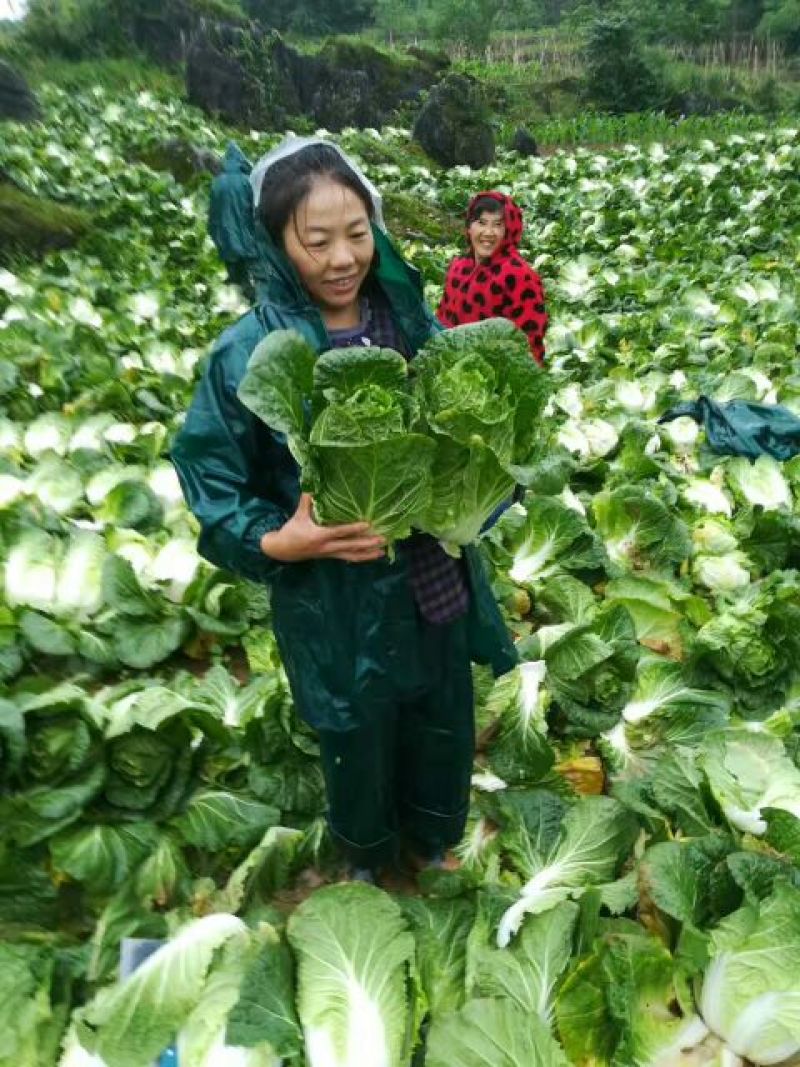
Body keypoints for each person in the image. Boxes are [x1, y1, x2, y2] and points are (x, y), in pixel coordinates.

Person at [172, 137, 517, 882]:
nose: (342, 258)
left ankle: (430, 840)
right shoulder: (247, 352)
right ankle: (365, 854)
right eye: (317, 240)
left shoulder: (410, 321)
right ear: (277, 242)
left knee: (441, 720)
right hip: (335, 601)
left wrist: (479, 492)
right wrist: (278, 541)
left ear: (377, 228)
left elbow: (477, 437)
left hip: (432, 582)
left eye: (357, 234)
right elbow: (211, 477)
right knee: (353, 733)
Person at [437, 190, 548, 364]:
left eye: (498, 225)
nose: (488, 232)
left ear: (509, 231)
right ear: (469, 227)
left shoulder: (520, 275)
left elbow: (530, 342)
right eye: (481, 223)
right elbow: (442, 324)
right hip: (451, 369)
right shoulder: (458, 267)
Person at [208, 141, 259, 302]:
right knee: (248, 268)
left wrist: (213, 230)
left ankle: (235, 295)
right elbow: (253, 208)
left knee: (232, 264)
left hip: (223, 230)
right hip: (243, 230)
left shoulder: (217, 182)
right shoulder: (246, 181)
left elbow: (213, 210)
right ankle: (250, 297)